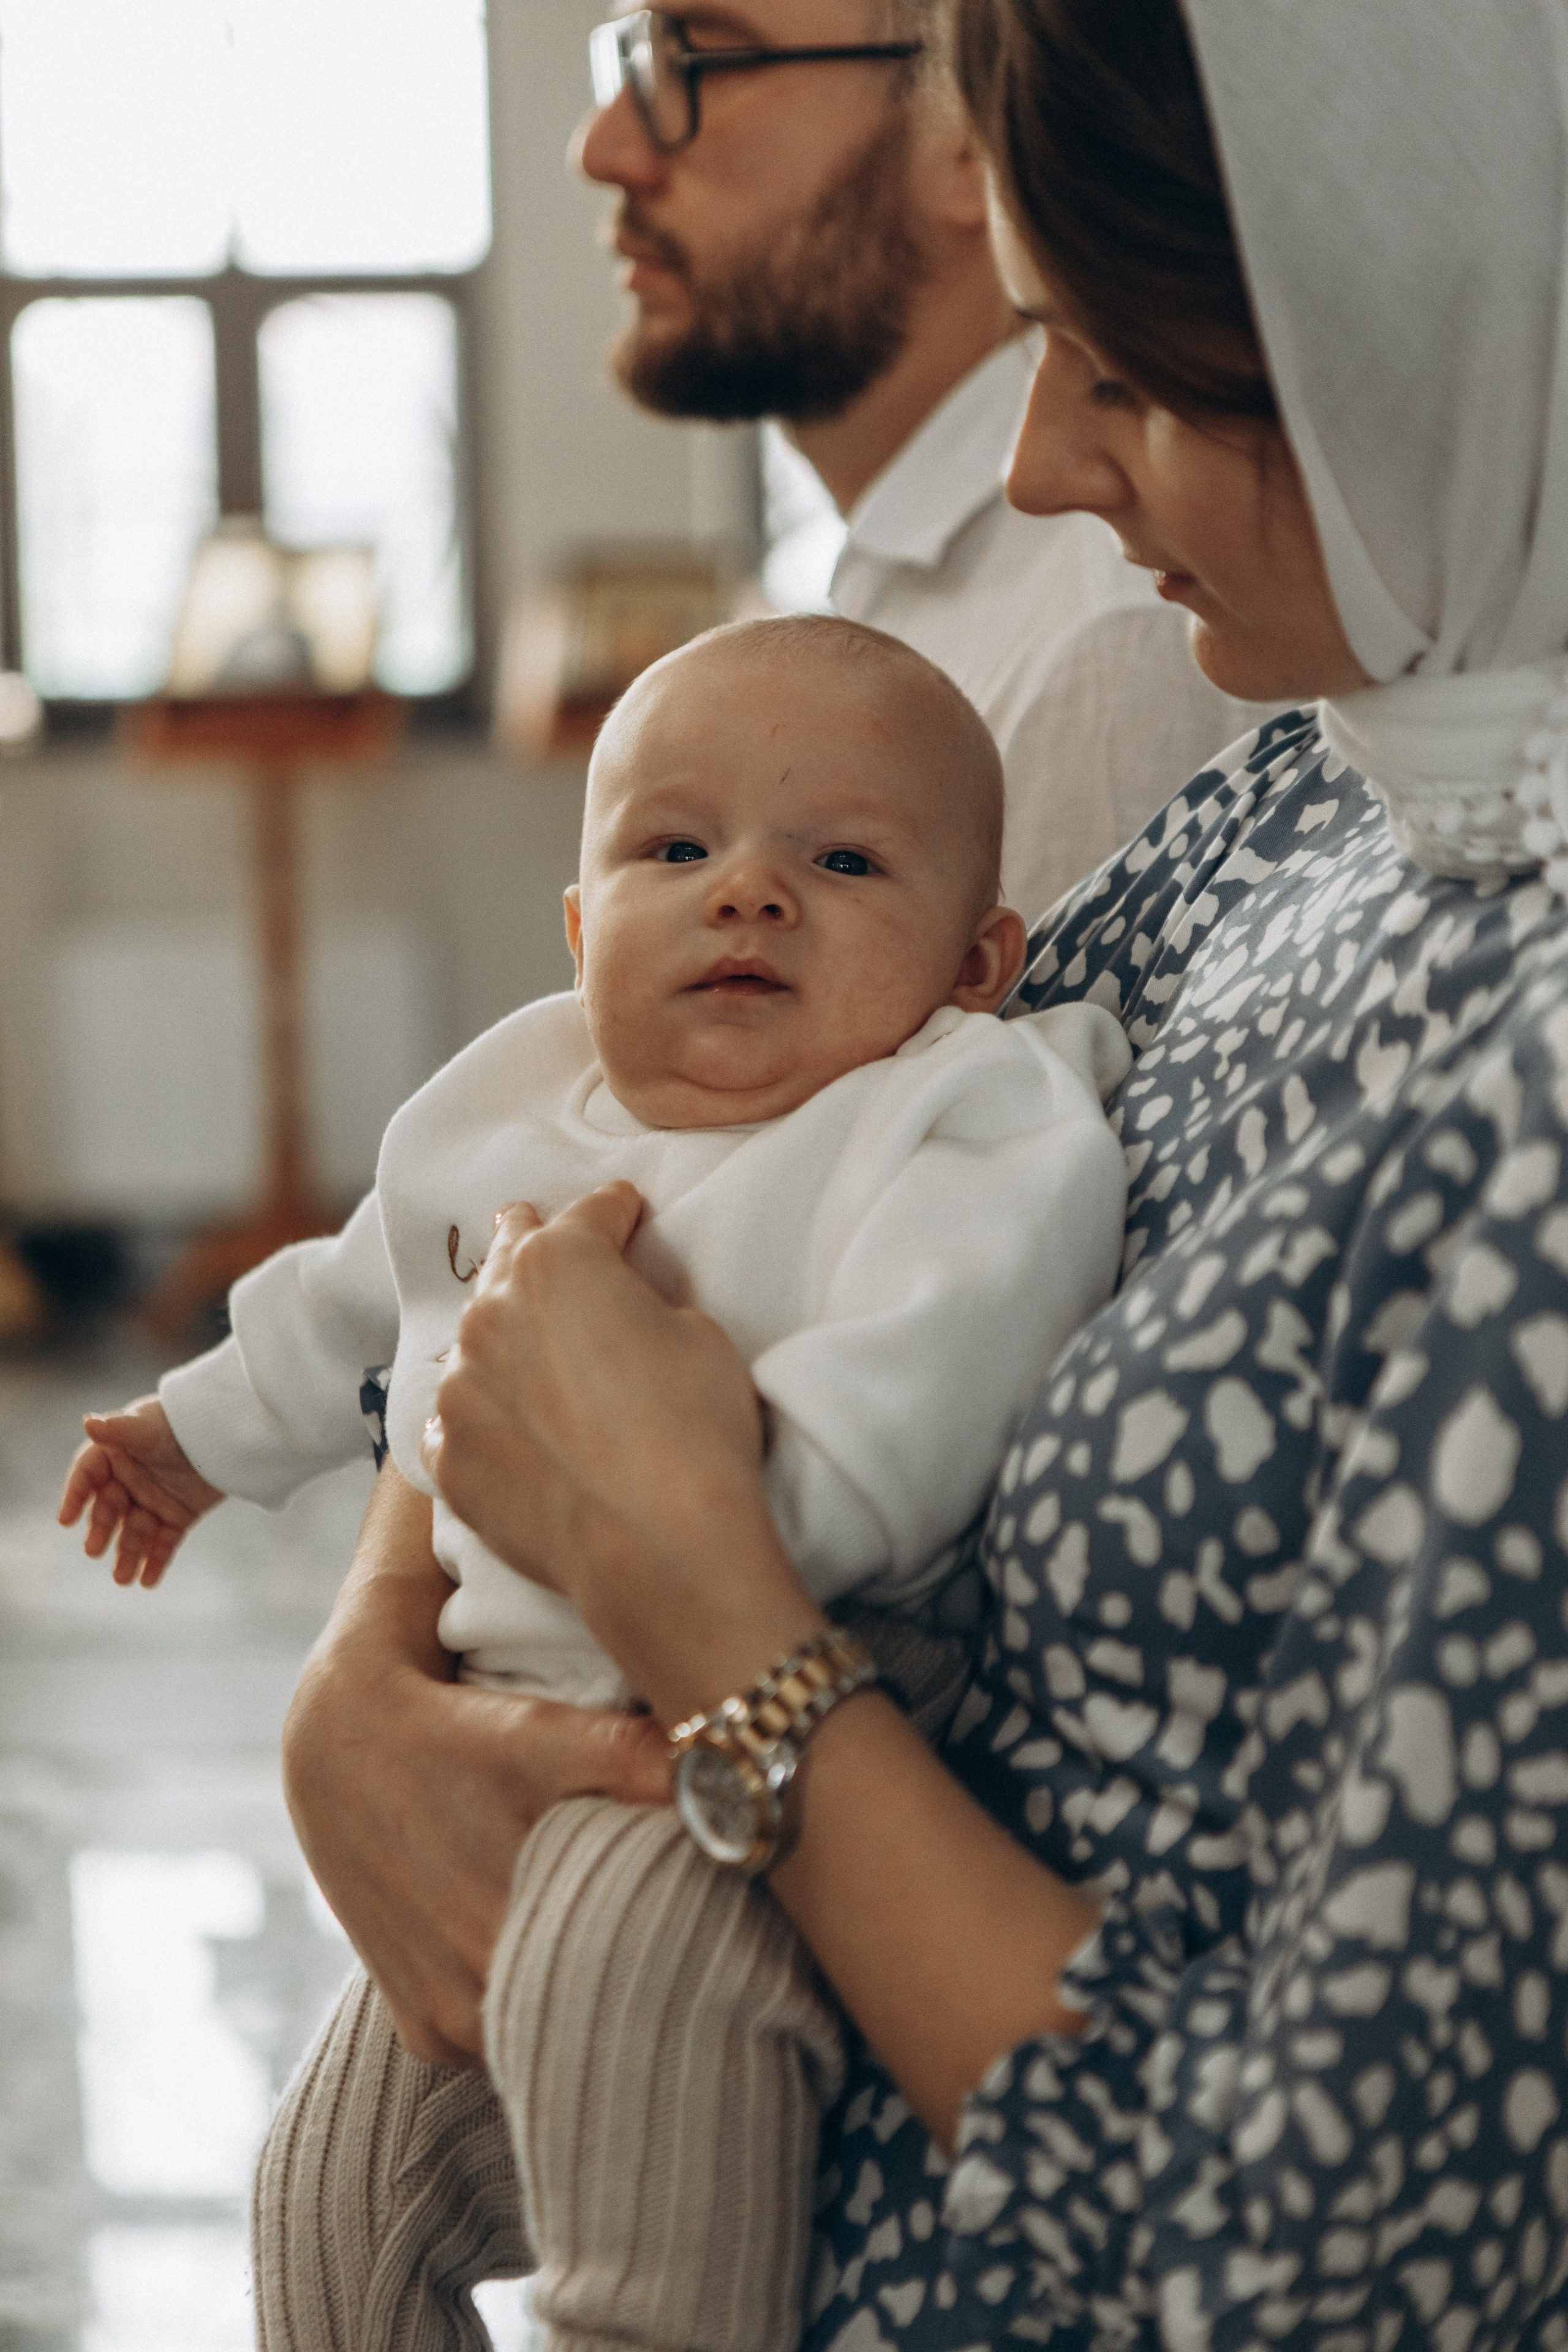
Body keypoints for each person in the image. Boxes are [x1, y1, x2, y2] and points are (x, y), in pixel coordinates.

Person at [260, 0, 1568, 2343]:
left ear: (1427, 333)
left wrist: (713, 1627)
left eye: (1134, 377)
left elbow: (1324, 2270)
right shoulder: (1315, 792)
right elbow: (671, 1192)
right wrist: (376, 1669)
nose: (1055, 467)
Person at [61, 616, 1135, 2351]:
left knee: (627, 2044)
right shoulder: (517, 1097)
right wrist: (196, 1440)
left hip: (793, 1689)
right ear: (581, 930)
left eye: (845, 860)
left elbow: (933, 1379)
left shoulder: (957, 1113)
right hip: (508, 1710)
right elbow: (357, 1295)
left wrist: (707, 1525)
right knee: (329, 2189)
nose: (751, 894)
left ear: (976, 957)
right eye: (677, 848)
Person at [578, 0, 1264, 916]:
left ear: (973, 133)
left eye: (695, 58)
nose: (605, 147)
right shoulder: (944, 595)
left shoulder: (1099, 641)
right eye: (630, 60)